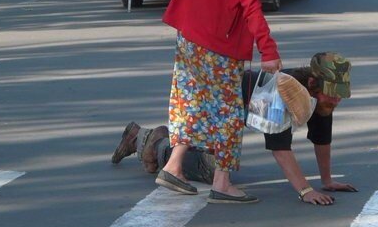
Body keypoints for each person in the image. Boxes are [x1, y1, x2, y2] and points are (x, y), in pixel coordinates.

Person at [155, 0, 284, 204]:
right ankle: (222, 182)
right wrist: (268, 49)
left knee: (191, 101)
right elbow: (250, 5)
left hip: (188, 33)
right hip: (218, 41)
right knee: (227, 110)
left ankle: (173, 165)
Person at [111, 52, 357, 206]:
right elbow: (280, 148)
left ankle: (163, 142)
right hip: (219, 106)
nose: (336, 101)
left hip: (230, 116)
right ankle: (149, 140)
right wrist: (305, 191)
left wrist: (326, 180)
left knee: (212, 164)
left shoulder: (320, 98)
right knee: (206, 169)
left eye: (339, 96)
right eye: (333, 96)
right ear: (313, 83)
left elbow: (322, 137)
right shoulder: (284, 93)